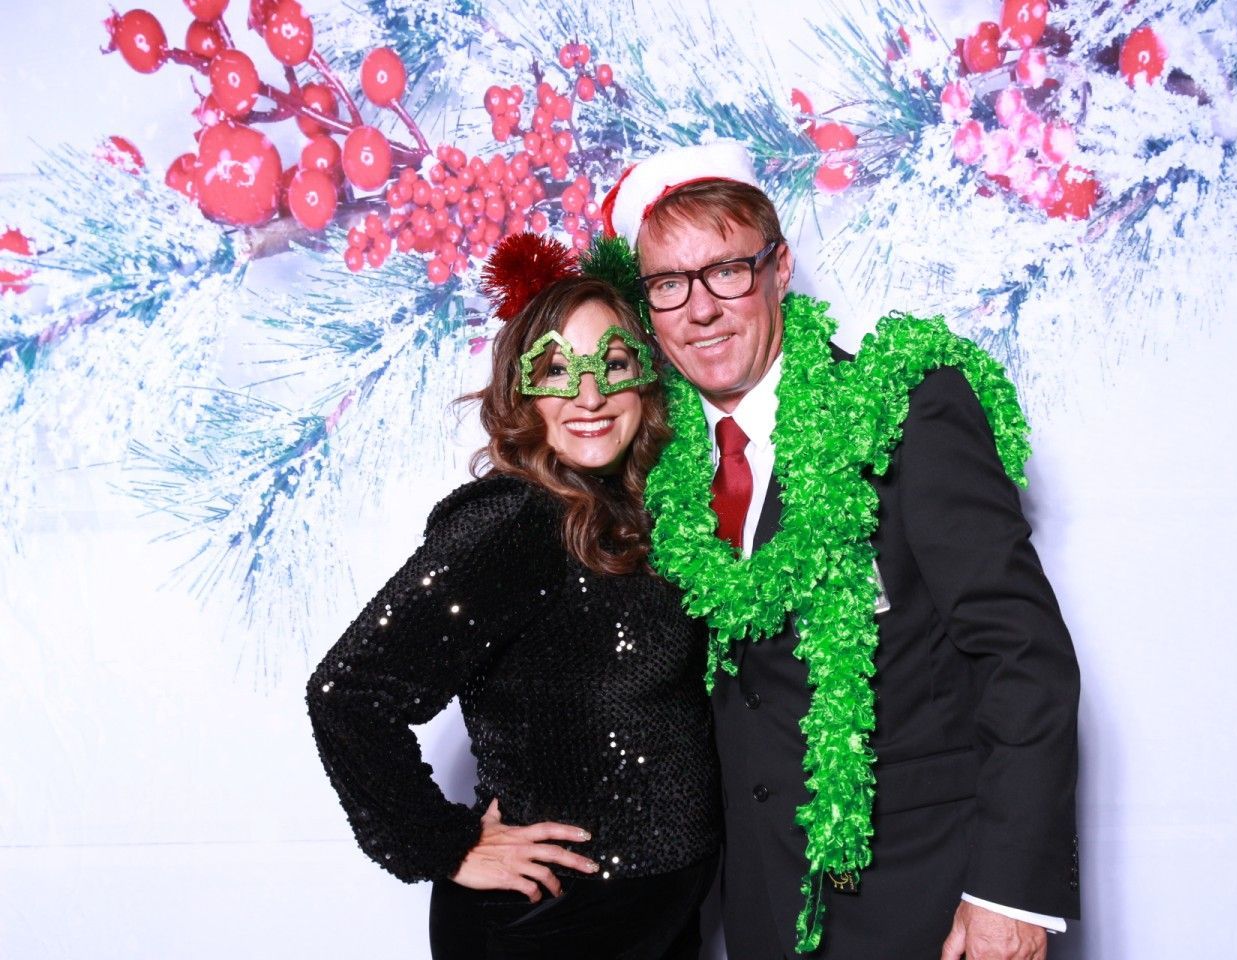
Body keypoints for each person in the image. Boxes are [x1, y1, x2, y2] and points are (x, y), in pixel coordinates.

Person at [600, 142, 1081, 959]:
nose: (701, 309)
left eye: (727, 270)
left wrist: (1009, 894)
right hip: (762, 914)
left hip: (933, 905)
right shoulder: (652, 468)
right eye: (669, 284)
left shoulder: (902, 409)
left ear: (779, 268)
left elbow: (1023, 655)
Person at [305, 236, 721, 960]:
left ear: (646, 380)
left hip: (659, 920)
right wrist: (446, 844)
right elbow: (347, 692)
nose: (589, 396)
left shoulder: (656, 514)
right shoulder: (515, 520)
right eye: (558, 371)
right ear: (521, 391)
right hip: (555, 929)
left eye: (613, 365)